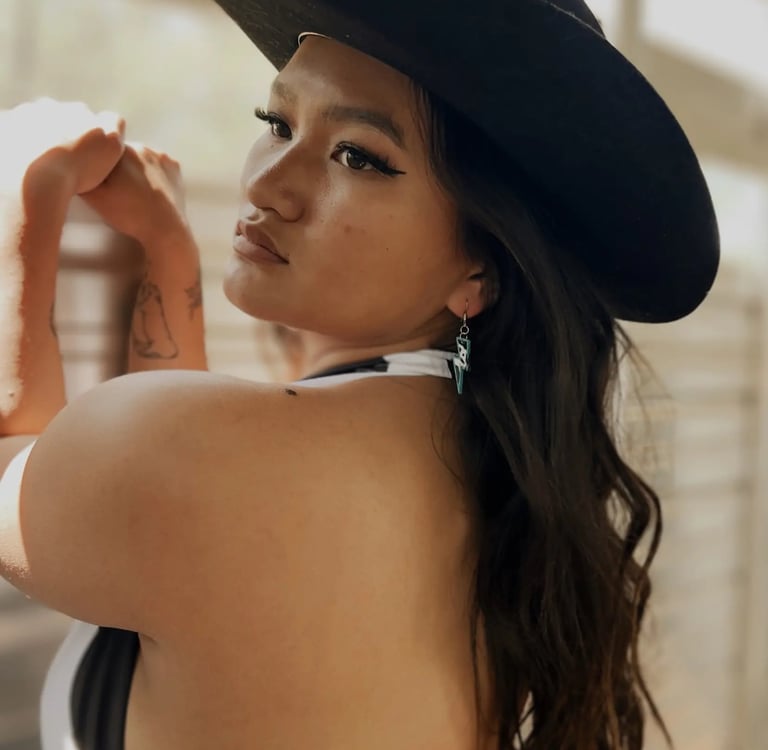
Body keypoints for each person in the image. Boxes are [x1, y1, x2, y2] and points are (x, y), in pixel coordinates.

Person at [0, 1, 719, 749]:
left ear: (485, 267)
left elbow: (51, 471)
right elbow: (169, 507)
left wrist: (22, 196)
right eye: (276, 122)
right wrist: (165, 248)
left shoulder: (222, 465)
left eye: (359, 157)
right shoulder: (477, 467)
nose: (269, 184)